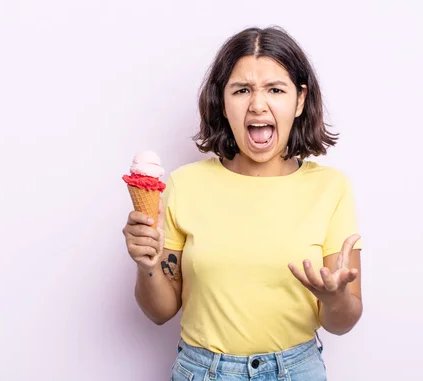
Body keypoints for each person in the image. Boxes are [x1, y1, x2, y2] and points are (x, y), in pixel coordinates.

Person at [122, 26, 363, 381]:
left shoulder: (331, 188)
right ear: (223, 100)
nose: (257, 104)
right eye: (242, 90)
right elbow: (161, 311)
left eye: (275, 89)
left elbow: (342, 322)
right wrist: (147, 265)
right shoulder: (184, 184)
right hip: (202, 371)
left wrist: (334, 297)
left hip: (296, 370)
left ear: (299, 100)